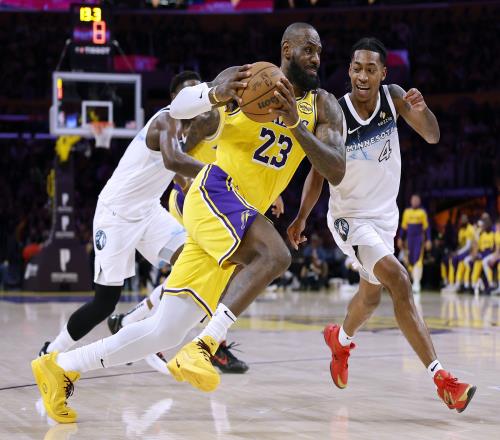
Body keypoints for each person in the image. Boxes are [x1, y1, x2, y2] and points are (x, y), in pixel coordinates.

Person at [31, 22, 346, 423]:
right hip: (214, 194)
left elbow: (335, 169)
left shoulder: (324, 106)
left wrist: (295, 124)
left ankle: (62, 366)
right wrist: (211, 96)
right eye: (308, 50)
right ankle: (205, 345)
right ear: (286, 49)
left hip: (239, 217)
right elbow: (182, 124)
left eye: (319, 51)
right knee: (275, 255)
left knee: (165, 330)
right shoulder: (246, 81)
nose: (316, 58)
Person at [287, 37, 475, 413]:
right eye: (357, 68)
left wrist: (422, 110)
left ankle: (340, 341)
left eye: (370, 69)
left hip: (385, 219)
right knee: (399, 280)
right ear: (349, 70)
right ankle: (443, 380)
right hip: (350, 220)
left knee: (370, 296)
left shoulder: (394, 98)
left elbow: (433, 135)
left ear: (383, 73)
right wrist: (302, 216)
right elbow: (318, 171)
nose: (362, 76)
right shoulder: (336, 113)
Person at [37, 73, 206, 368]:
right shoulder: (166, 120)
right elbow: (172, 160)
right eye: (186, 94)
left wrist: (192, 186)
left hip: (148, 212)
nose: (193, 99)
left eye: (197, 92)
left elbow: (175, 172)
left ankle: (139, 326)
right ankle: (51, 351)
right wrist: (212, 173)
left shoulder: (184, 130)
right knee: (104, 302)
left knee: (191, 259)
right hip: (116, 214)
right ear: (175, 99)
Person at [106, 71, 250, 375]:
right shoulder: (199, 119)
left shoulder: (231, 117)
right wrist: (189, 186)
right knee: (219, 269)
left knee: (211, 271)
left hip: (213, 197)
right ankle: (210, 344)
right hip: (193, 197)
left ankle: (133, 321)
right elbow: (173, 160)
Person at [397, 194, 431, 293]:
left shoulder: (422, 212)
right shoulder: (407, 212)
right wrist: (400, 238)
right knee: (409, 260)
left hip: (419, 240)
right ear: (411, 201)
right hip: (409, 240)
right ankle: (411, 281)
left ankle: (417, 283)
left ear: (419, 202)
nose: (415, 201)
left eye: (417, 200)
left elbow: (427, 228)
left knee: (418, 260)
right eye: (413, 200)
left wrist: (428, 240)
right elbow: (403, 227)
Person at [444, 213, 475, 292]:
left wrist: (458, 252)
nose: (462, 221)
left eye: (464, 220)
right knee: (451, 259)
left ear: (467, 220)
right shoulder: (461, 230)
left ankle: (458, 283)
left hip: (469, 251)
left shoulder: (470, 229)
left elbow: (468, 246)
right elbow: (460, 244)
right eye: (461, 220)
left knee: (461, 260)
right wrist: (456, 252)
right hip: (462, 250)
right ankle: (451, 283)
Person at [470, 213, 495, 294]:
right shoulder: (481, 233)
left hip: (490, 254)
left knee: (484, 261)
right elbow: (476, 245)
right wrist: (476, 254)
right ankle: (473, 285)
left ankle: (491, 284)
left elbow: (494, 248)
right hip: (482, 254)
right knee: (476, 263)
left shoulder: (493, 233)